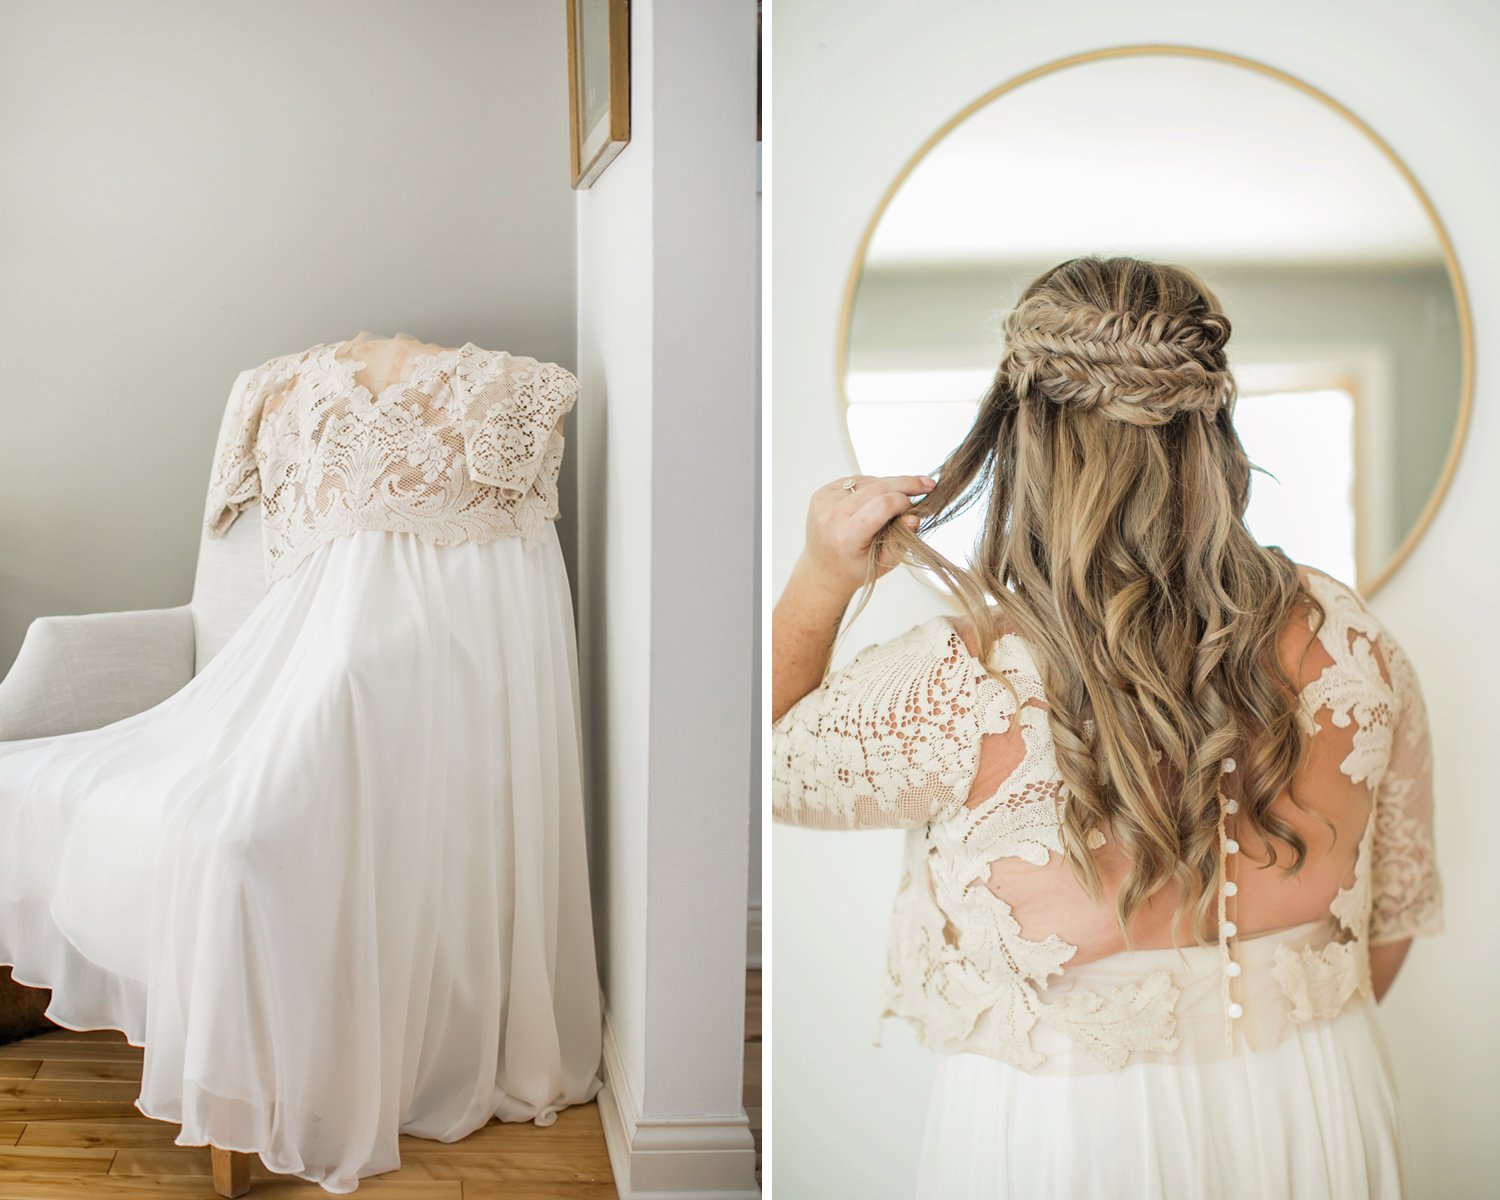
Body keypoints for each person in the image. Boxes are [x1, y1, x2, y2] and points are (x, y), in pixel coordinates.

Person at [771, 256, 1443, 1198]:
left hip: (1074, 1135)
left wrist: (819, 575)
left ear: (1025, 436)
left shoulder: (971, 678)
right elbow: (1389, 925)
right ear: (1213, 424)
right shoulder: (1354, 642)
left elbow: (762, 766)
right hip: (1315, 1102)